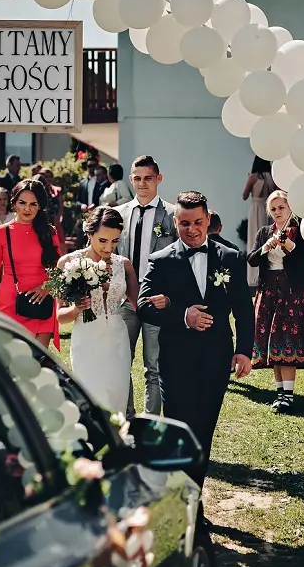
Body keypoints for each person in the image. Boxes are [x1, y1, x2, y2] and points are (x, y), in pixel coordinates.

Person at [136, 190, 254, 490]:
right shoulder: (161, 260)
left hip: (216, 360)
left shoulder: (231, 257)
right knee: (180, 431)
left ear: (208, 220)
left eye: (198, 222)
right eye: (185, 223)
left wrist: (243, 351)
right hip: (175, 362)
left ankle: (194, 495)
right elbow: (144, 305)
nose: (192, 229)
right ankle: (184, 498)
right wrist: (181, 315)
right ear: (176, 222)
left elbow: (243, 309)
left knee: (203, 431)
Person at [57, 207, 139, 413]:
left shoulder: (124, 265)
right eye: (103, 240)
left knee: (116, 401)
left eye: (115, 241)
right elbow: (59, 317)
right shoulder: (68, 263)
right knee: (90, 402)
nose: (109, 247)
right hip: (86, 342)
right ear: (89, 234)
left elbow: (140, 306)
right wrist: (77, 309)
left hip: (117, 342)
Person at [115, 155, 178, 416]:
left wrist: (171, 296)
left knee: (154, 366)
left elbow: (178, 259)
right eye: (137, 178)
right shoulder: (119, 214)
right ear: (131, 180)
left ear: (158, 179)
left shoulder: (172, 214)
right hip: (124, 300)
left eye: (148, 178)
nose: (142, 183)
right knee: (120, 363)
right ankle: (128, 419)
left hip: (156, 300)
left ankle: (151, 422)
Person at [247, 191, 304, 413]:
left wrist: (289, 246)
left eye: (281, 208)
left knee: (286, 340)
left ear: (289, 208)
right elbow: (252, 259)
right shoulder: (265, 232)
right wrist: (266, 247)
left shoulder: (300, 232)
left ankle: (288, 395)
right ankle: (279, 393)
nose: (277, 212)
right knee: (272, 342)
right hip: (268, 291)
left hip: (291, 292)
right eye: (273, 209)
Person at [0, 179, 61, 348]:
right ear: (13, 203)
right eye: (22, 203)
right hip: (10, 304)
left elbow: (59, 269)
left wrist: (47, 287)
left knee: (36, 361)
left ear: (40, 206)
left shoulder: (49, 232)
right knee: (15, 361)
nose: (27, 208)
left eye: (33, 204)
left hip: (42, 301)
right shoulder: (0, 233)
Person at [242, 156, 277, 288]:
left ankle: (253, 277)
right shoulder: (270, 178)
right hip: (268, 209)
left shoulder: (253, 177)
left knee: (254, 241)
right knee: (268, 239)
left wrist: (249, 180)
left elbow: (244, 195)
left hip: (256, 207)